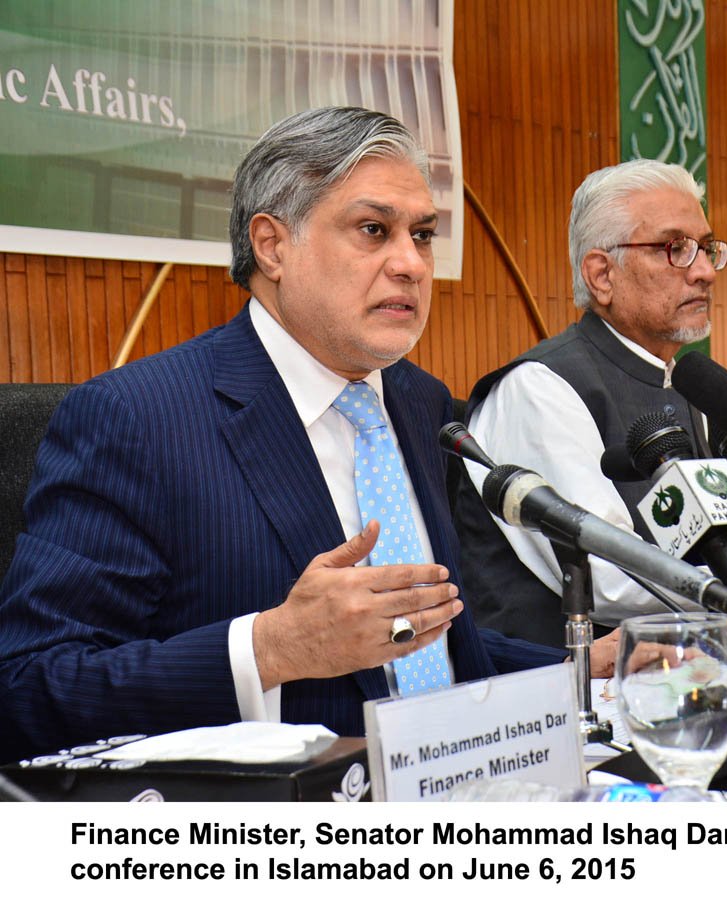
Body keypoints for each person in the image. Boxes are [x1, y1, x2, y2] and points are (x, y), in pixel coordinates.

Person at [0, 107, 562, 764]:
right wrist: (267, 650)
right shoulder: (134, 420)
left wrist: (583, 666)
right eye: (374, 230)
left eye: (423, 234)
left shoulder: (421, 400)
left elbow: (416, 641)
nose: (411, 263)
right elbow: (27, 689)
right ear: (272, 246)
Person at [454, 159, 727, 647]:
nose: (704, 271)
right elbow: (611, 576)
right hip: (556, 696)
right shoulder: (539, 388)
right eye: (676, 249)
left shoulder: (687, 383)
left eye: (706, 248)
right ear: (602, 275)